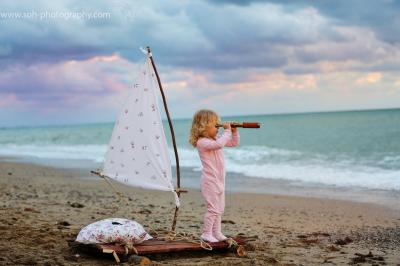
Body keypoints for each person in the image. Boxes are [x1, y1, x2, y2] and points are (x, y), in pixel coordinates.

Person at [189, 109, 240, 242]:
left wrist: (234, 132)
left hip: (219, 181)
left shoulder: (215, 138)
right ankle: (206, 233)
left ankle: (216, 232)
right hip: (209, 182)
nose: (218, 128)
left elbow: (233, 143)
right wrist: (227, 131)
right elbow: (219, 144)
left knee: (219, 209)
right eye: (215, 125)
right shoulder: (203, 142)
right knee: (213, 209)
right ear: (203, 127)